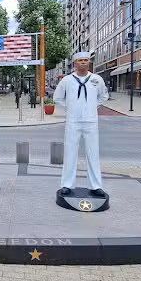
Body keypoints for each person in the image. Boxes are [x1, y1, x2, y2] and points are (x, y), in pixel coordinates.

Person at [54, 52, 109, 197]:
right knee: (70, 153)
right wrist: (70, 106)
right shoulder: (67, 80)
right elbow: (57, 97)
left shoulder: (97, 79)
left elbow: (104, 96)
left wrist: (93, 106)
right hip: (73, 121)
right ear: (75, 63)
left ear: (89, 63)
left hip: (91, 121)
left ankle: (95, 186)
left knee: (93, 153)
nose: (83, 62)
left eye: (86, 60)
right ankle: (67, 184)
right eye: (80, 60)